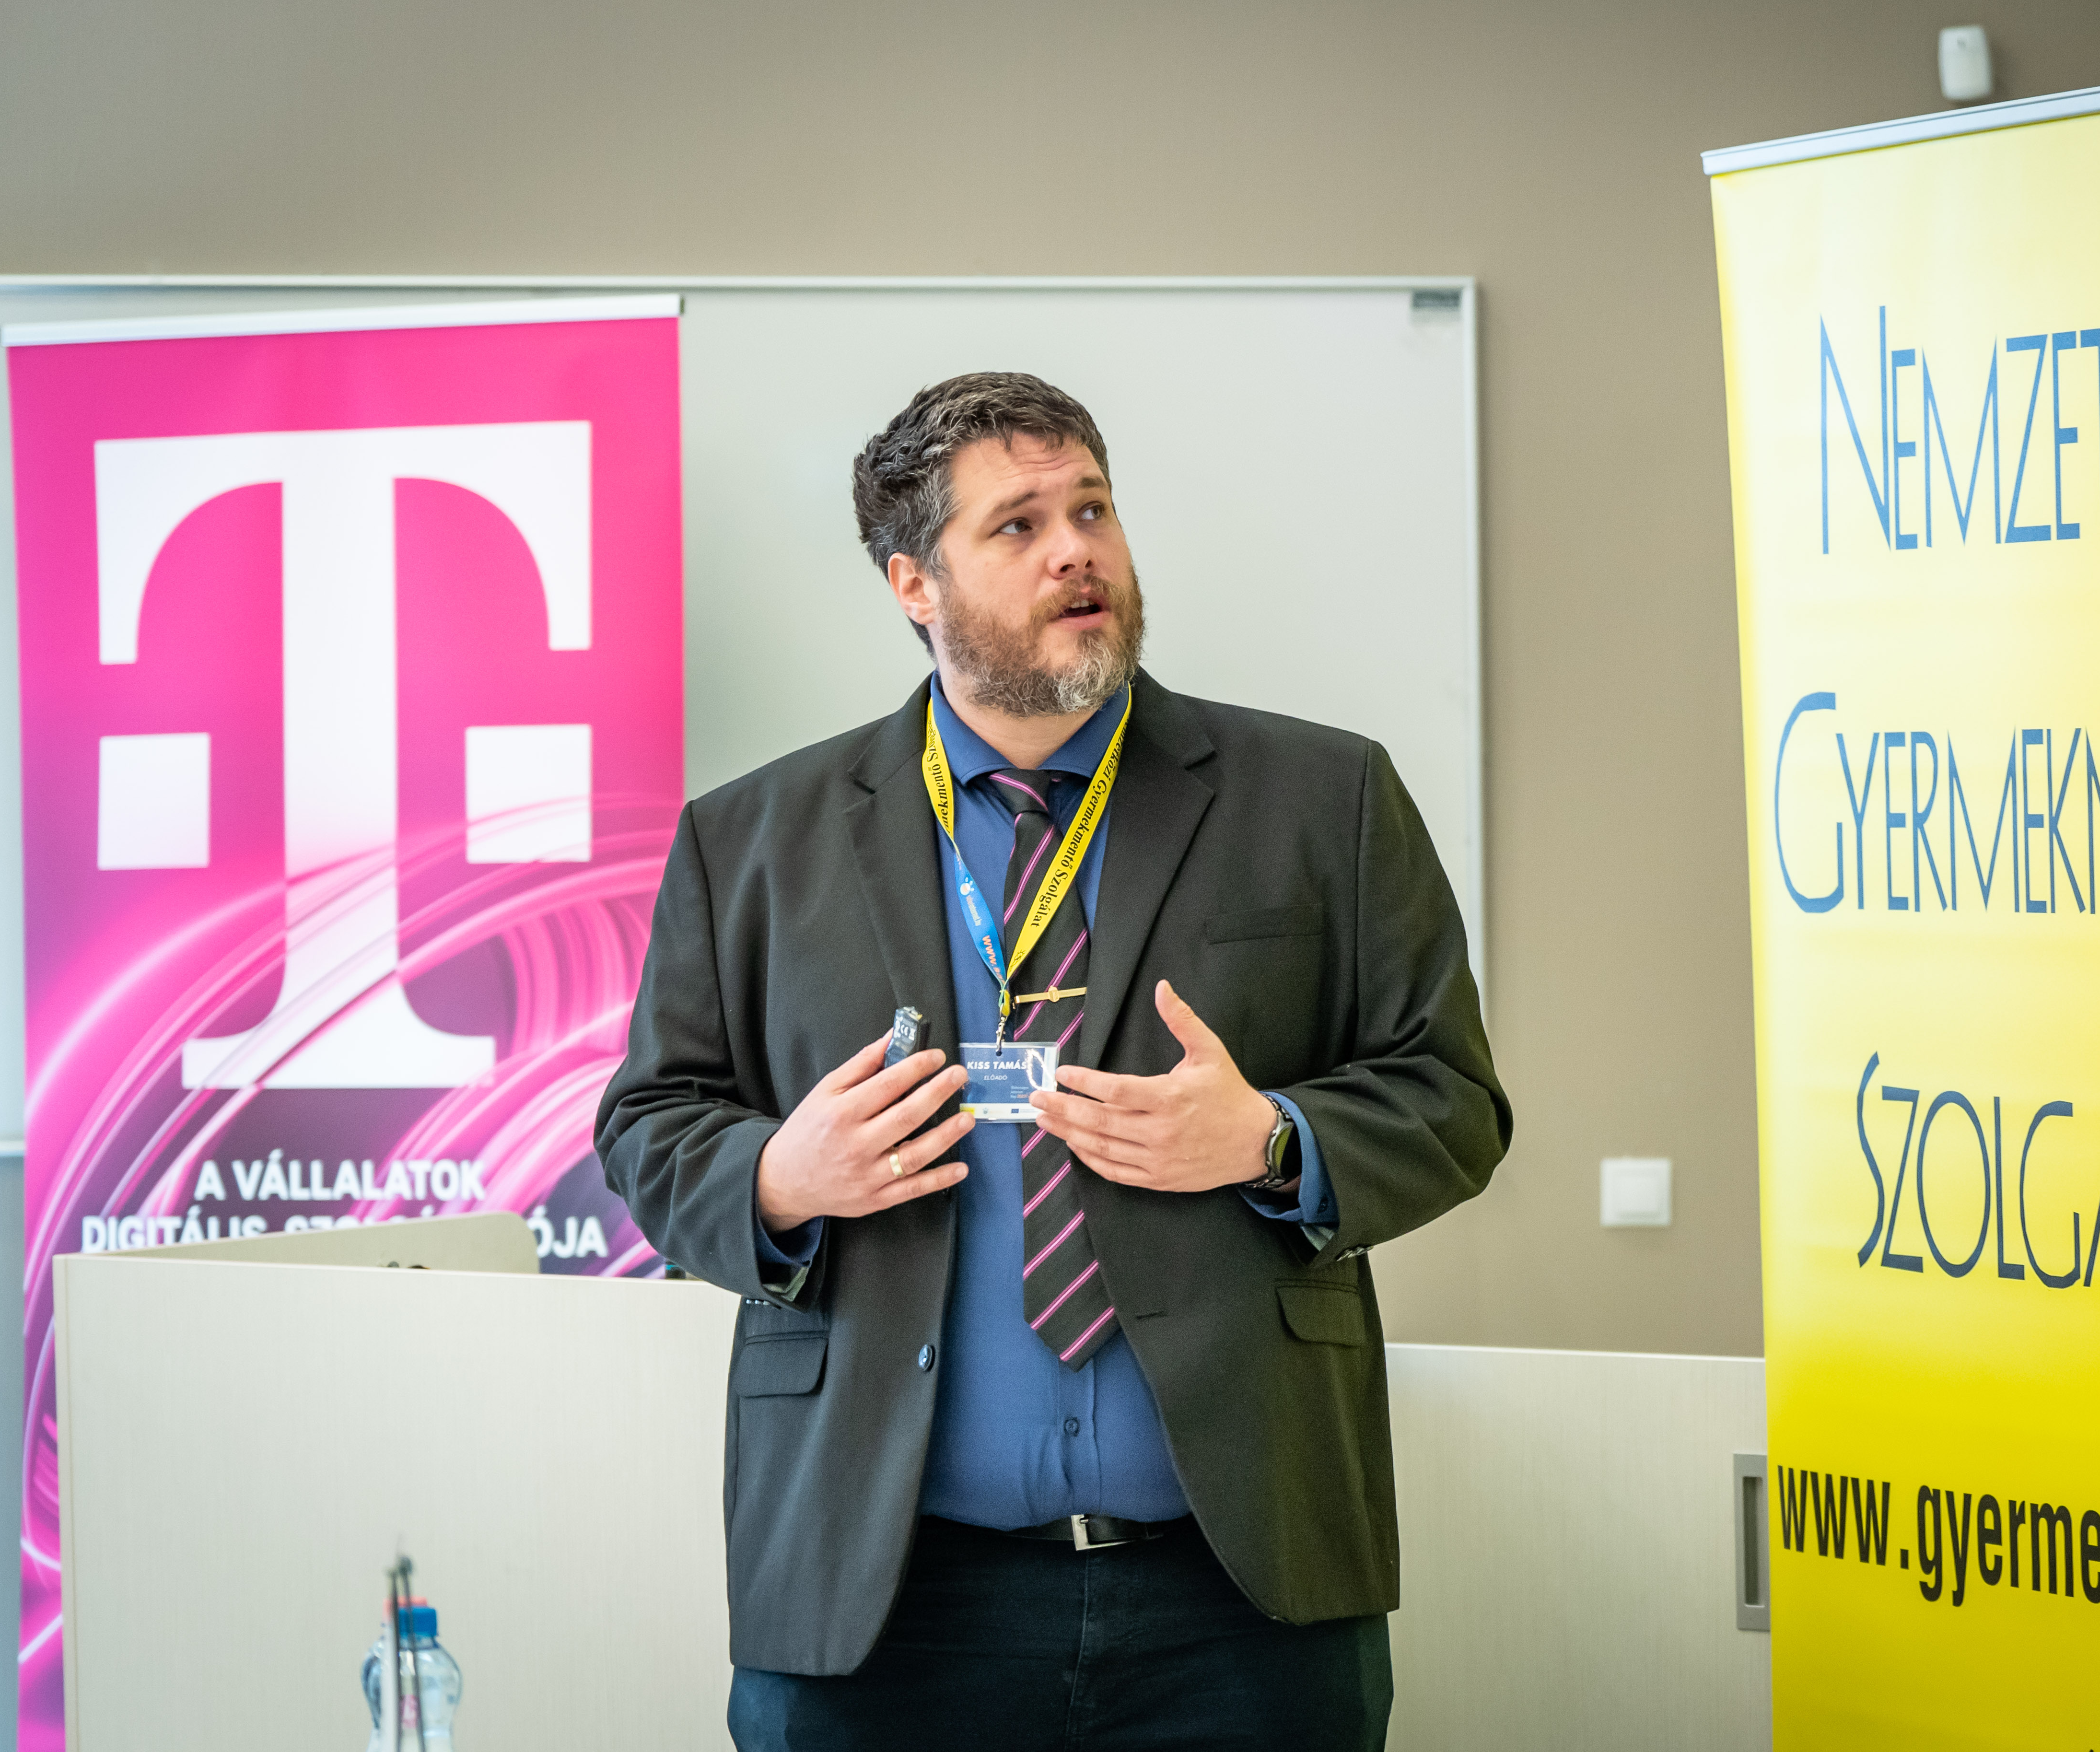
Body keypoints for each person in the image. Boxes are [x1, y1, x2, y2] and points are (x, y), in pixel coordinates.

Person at [595, 371, 1508, 1752]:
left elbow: (1451, 1098)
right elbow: (651, 1122)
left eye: (1092, 509)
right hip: (880, 1594)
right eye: (1017, 526)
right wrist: (781, 1176)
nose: (1076, 550)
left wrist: (1273, 1141)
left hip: (1239, 1593)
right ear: (915, 584)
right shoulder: (754, 838)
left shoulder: (1325, 799)